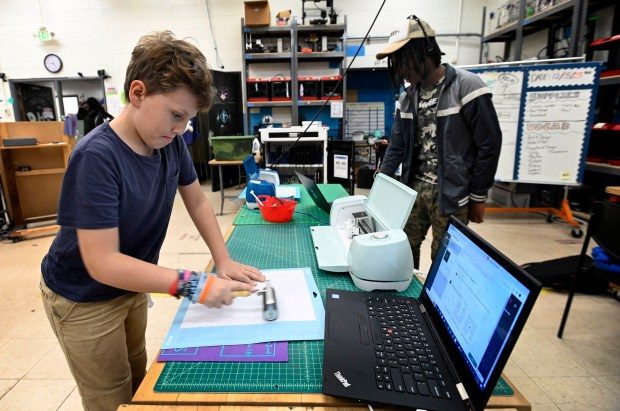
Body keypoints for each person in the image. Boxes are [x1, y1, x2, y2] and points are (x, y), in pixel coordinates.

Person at [40, 31, 265, 411]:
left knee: (136, 376)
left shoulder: (169, 142)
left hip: (129, 286)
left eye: (188, 120)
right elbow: (103, 263)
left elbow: (196, 202)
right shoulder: (97, 157)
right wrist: (192, 284)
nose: (181, 129)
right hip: (81, 298)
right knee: (110, 397)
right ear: (138, 92)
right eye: (176, 115)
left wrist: (223, 259)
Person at [376, 15, 502, 270]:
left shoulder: (468, 87)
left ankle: (432, 308)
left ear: (425, 51)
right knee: (401, 249)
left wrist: (478, 197)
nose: (400, 69)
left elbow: (489, 145)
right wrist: (381, 182)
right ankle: (405, 304)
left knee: (444, 260)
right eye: (396, 63)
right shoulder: (407, 98)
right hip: (413, 189)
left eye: (403, 61)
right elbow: (397, 147)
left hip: (452, 192)